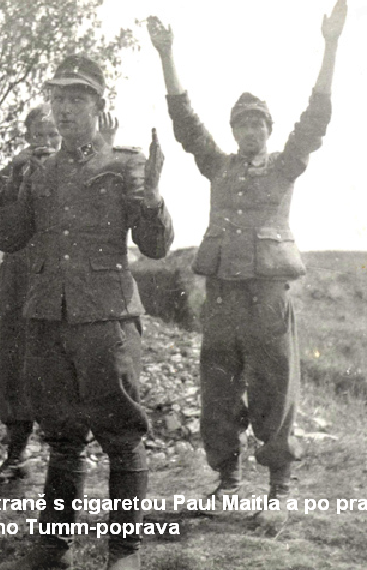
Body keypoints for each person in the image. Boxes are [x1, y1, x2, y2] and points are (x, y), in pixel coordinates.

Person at [147, 0, 347, 515]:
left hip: (268, 298)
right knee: (218, 389)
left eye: (259, 124)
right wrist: (167, 55)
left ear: (269, 130)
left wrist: (330, 45)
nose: (251, 131)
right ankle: (228, 480)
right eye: (242, 125)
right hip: (222, 298)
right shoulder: (218, 166)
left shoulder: (285, 166)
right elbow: (185, 123)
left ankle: (279, 487)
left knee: (274, 387)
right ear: (234, 131)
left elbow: (316, 118)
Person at [0, 55, 173, 570]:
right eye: (58, 99)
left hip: (106, 319)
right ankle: (54, 547)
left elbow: (156, 246)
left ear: (98, 106)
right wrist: (13, 184)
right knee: (62, 436)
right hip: (48, 318)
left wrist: (153, 197)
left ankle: (125, 552)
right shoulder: (38, 169)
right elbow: (8, 238)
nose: (65, 109)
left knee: (121, 435)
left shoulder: (125, 164)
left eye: (76, 99)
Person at [0, 106, 119, 485]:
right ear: (26, 139)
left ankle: (72, 453)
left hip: (68, 282)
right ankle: (16, 453)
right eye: (38, 135)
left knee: (70, 361)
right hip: (21, 281)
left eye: (53, 135)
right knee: (15, 362)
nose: (46, 143)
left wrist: (105, 146)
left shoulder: (83, 168)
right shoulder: (18, 170)